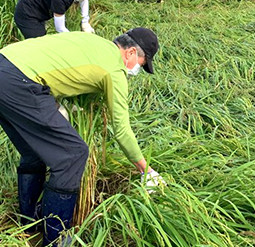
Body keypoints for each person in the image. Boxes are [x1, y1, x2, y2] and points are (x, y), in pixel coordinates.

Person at [0, 28, 165, 245]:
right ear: (131, 52)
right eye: (141, 65)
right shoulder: (114, 70)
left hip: (6, 65)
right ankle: (58, 239)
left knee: (35, 150)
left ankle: (29, 222)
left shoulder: (93, 42)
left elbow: (57, 65)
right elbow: (122, 130)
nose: (137, 70)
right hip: (21, 82)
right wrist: (146, 170)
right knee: (73, 154)